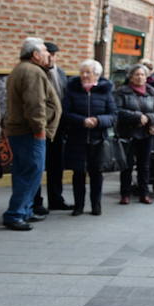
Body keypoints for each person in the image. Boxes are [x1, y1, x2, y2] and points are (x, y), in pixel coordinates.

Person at [2, 37, 62, 231]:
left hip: (21, 132)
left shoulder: (22, 69)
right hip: (30, 133)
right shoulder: (32, 71)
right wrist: (39, 130)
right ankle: (16, 214)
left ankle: (25, 211)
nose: (47, 54)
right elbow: (35, 104)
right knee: (30, 173)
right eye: (45, 51)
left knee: (23, 172)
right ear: (35, 54)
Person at [62, 59, 117, 216]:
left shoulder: (105, 92)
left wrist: (98, 120)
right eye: (82, 72)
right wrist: (82, 121)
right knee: (78, 173)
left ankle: (96, 205)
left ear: (97, 75)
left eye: (88, 72)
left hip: (98, 139)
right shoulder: (72, 90)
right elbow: (65, 114)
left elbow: (113, 116)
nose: (84, 75)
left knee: (96, 173)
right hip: (77, 138)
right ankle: (78, 206)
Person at [114, 64, 154, 204]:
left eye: (142, 75)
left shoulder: (152, 92)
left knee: (144, 165)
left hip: (146, 133)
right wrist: (137, 116)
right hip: (128, 133)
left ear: (146, 77)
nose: (140, 77)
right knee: (127, 165)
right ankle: (125, 194)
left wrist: (149, 118)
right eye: (137, 75)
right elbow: (117, 110)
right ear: (131, 77)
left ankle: (144, 193)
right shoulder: (122, 91)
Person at [32, 41, 71, 214]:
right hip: (41, 126)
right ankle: (36, 202)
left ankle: (56, 199)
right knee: (38, 165)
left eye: (54, 55)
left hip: (59, 127)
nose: (51, 58)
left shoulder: (60, 73)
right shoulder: (36, 73)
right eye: (49, 55)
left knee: (56, 165)